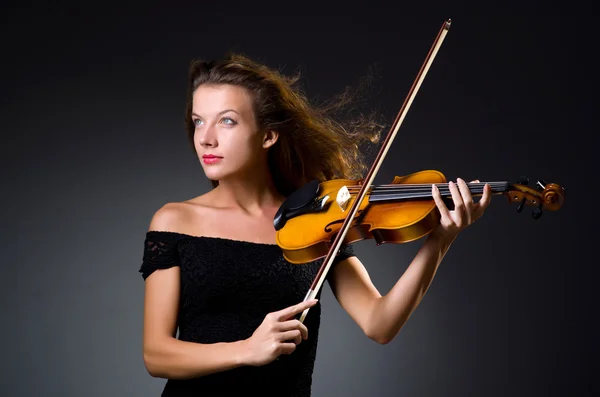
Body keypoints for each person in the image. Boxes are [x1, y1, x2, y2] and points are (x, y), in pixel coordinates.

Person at [138, 53, 492, 397]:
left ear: (268, 135)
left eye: (227, 121)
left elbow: (380, 323)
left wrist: (441, 239)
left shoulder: (314, 218)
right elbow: (156, 355)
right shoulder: (175, 221)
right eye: (199, 121)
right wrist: (247, 349)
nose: (206, 138)